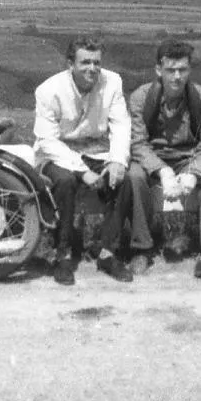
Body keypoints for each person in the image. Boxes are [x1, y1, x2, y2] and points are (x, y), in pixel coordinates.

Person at [33, 36, 137, 285]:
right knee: (65, 182)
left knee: (123, 179)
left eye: (96, 62)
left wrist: (117, 161)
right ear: (70, 64)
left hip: (96, 150)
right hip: (58, 153)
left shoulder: (112, 82)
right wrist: (82, 171)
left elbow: (121, 125)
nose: (92, 68)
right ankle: (63, 254)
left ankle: (108, 253)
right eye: (85, 62)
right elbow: (47, 140)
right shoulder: (49, 90)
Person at [125, 40, 201, 277]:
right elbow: (138, 143)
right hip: (153, 158)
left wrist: (195, 173)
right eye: (170, 70)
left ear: (190, 70)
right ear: (158, 70)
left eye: (182, 70)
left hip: (189, 158)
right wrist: (162, 171)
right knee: (134, 176)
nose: (177, 77)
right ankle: (142, 248)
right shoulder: (141, 97)